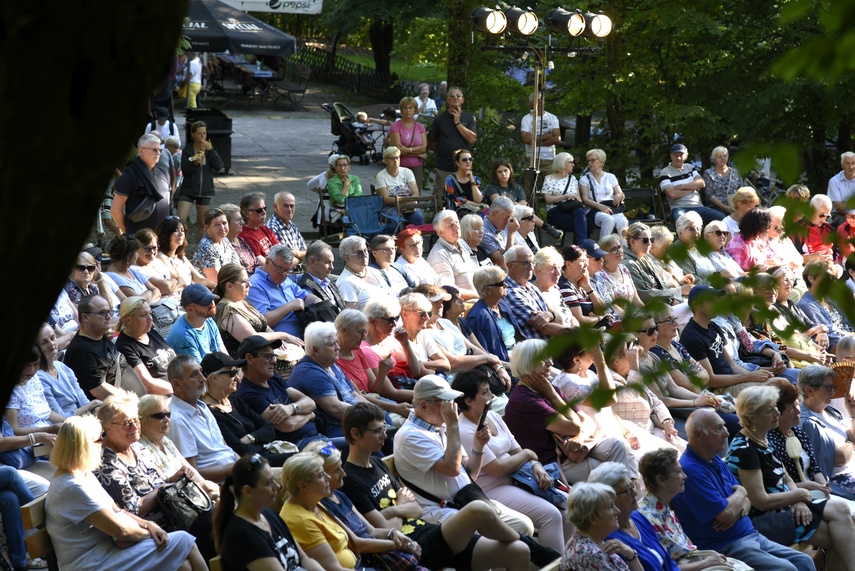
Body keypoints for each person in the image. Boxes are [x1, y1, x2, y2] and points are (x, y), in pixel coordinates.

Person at [342, 403, 531, 571]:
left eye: (384, 429)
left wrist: (393, 512)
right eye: (377, 431)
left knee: (519, 551)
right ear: (356, 434)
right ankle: (543, 553)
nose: (384, 436)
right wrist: (400, 507)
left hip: (430, 532)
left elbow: (415, 509)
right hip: (416, 547)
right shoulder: (350, 479)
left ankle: (533, 547)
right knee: (478, 509)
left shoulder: (377, 463)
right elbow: (385, 529)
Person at [46, 415, 206, 571]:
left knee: (183, 565)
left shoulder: (82, 473)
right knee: (185, 541)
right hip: (91, 561)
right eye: (99, 439)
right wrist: (153, 533)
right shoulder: (71, 487)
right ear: (85, 447)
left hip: (106, 551)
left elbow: (116, 510)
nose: (102, 444)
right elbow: (121, 531)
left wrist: (149, 524)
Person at [392, 376, 540, 542]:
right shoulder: (410, 436)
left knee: (523, 525)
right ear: (424, 406)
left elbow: (470, 473)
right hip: (443, 511)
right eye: (445, 402)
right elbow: (452, 469)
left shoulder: (439, 426)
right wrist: (453, 425)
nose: (452, 407)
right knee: (511, 539)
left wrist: (478, 446)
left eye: (452, 401)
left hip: (468, 500)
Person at [725, 385, 855, 567]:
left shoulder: (762, 438)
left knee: (841, 509)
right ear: (751, 418)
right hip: (767, 517)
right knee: (838, 537)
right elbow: (760, 501)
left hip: (786, 505)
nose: (777, 413)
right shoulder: (745, 449)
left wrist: (799, 500)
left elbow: (786, 479)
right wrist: (798, 496)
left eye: (776, 408)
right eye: (770, 410)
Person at [671, 409, 815, 571]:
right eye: (718, 428)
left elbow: (747, 502)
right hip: (725, 546)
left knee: (804, 561)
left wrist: (737, 508)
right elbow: (726, 513)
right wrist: (740, 493)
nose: (726, 433)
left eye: (724, 427)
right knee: (787, 569)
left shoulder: (714, 459)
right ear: (698, 435)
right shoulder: (691, 469)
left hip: (749, 534)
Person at [451, 369, 573, 551]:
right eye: (485, 392)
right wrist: (528, 455)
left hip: (518, 477)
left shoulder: (491, 415)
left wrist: (536, 465)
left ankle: (569, 560)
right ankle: (555, 564)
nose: (492, 395)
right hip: (492, 488)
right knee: (550, 515)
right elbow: (498, 469)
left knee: (569, 506)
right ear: (468, 400)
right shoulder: (466, 430)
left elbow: (516, 448)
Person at [93, 392, 215, 559]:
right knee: (215, 523)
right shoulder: (107, 464)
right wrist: (163, 489)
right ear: (108, 427)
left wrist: (173, 479)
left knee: (220, 514)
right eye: (127, 423)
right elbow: (132, 509)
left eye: (136, 420)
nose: (135, 427)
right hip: (152, 527)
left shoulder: (136, 447)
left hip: (173, 512)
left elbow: (156, 482)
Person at [504, 339, 633, 483]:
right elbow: (574, 426)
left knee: (618, 446)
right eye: (543, 359)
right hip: (553, 463)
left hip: (575, 449)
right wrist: (553, 396)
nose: (550, 364)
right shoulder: (525, 400)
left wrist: (579, 436)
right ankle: (626, 498)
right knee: (611, 471)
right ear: (527, 363)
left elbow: (587, 421)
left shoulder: (547, 387)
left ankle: (630, 496)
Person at [306, 440, 428, 571]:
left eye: (341, 466)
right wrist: (397, 544)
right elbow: (356, 544)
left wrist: (394, 534)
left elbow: (371, 530)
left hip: (385, 548)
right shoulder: (321, 506)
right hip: (371, 561)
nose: (344, 473)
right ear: (321, 475)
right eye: (336, 470)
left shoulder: (340, 495)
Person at [637, 449, 748, 570]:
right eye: (679, 472)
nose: (684, 476)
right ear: (662, 480)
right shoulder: (646, 517)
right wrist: (706, 563)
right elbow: (663, 568)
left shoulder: (662, 507)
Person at [214, 453, 323, 571]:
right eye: (269, 482)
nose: (277, 486)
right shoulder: (242, 535)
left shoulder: (270, 515)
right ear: (248, 491)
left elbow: (305, 559)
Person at [200, 352, 292, 467]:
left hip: (264, 455)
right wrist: (260, 440)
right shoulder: (209, 412)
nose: (237, 378)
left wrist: (251, 438)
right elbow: (239, 450)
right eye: (232, 373)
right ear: (214, 378)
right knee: (300, 461)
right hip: (252, 466)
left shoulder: (233, 399)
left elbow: (269, 428)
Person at [680, 285, 772, 396]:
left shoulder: (715, 326)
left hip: (739, 376)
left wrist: (777, 353)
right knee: (777, 386)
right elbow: (711, 380)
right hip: (722, 388)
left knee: (781, 383)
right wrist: (752, 375)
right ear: (696, 305)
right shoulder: (693, 336)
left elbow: (734, 364)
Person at [587, 462, 680, 571]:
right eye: (627, 490)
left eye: (632, 486)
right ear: (608, 498)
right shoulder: (609, 539)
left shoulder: (637, 517)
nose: (635, 493)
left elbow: (669, 562)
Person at [288, 323, 370, 442]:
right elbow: (336, 409)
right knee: (370, 438)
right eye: (332, 344)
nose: (338, 347)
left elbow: (354, 394)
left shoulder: (332, 364)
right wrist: (370, 415)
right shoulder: (310, 372)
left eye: (337, 342)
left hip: (354, 421)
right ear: (316, 350)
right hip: (334, 430)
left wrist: (373, 409)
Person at [233, 336, 320, 446]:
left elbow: (310, 402)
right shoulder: (248, 394)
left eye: (274, 356)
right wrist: (309, 414)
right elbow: (288, 425)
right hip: (295, 447)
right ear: (249, 358)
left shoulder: (274, 379)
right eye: (268, 356)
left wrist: (291, 408)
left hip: (315, 437)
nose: (274, 361)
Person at [167, 354, 239, 482]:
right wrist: (239, 467)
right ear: (177, 384)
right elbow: (193, 473)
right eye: (194, 375)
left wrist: (247, 464)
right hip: (222, 484)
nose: (203, 379)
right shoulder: (177, 419)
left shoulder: (202, 406)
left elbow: (225, 447)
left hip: (237, 472)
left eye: (201, 371)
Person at [137, 394, 220, 498]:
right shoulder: (140, 448)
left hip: (187, 492)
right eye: (159, 416)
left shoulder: (166, 441)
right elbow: (162, 484)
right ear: (142, 420)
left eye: (168, 414)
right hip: (173, 499)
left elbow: (191, 469)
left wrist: (205, 485)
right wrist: (200, 487)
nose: (166, 419)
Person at [335, 309, 413, 416]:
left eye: (365, 332)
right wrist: (395, 407)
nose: (363, 337)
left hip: (376, 400)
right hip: (363, 408)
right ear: (344, 331)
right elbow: (357, 395)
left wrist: (382, 373)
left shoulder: (358, 351)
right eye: (360, 332)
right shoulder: (334, 360)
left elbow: (374, 389)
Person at [64, 295, 144, 400]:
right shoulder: (82, 352)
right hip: (125, 408)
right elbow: (100, 391)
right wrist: (134, 403)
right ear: (85, 317)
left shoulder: (99, 336)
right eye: (102, 313)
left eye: (109, 312)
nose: (108, 317)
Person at [766, 378, 834, 497]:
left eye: (797, 404)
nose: (798, 411)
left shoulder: (798, 432)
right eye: (792, 408)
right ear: (777, 412)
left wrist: (824, 487)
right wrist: (808, 486)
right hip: (791, 497)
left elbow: (814, 468)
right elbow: (776, 484)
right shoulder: (769, 440)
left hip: (815, 492)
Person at [798, 365, 855, 501]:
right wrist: (851, 442)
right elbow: (841, 458)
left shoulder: (831, 411)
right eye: (828, 387)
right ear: (810, 390)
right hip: (838, 479)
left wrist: (852, 414)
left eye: (833, 387)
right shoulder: (807, 422)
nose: (833, 391)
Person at [562, 482, 640, 571]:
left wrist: (631, 555)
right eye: (610, 506)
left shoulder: (586, 541)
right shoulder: (592, 555)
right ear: (593, 518)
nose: (617, 511)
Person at [504, 245, 571, 339]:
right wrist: (573, 332)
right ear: (510, 266)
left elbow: (558, 317)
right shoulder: (510, 292)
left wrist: (550, 315)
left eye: (532, 263)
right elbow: (544, 327)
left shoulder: (531, 287)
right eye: (525, 263)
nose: (531, 267)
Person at [115, 296, 176, 395]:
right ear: (127, 320)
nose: (150, 319)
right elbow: (148, 385)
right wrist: (181, 389)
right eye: (143, 315)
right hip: (163, 398)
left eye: (150, 314)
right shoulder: (124, 347)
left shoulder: (150, 331)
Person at [112, 134, 171, 235]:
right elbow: (115, 210)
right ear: (141, 151)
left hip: (162, 235)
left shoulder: (164, 172)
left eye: (159, 150)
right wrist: (128, 232)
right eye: (154, 150)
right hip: (138, 238)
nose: (158, 153)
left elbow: (167, 202)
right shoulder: (128, 176)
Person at [35, 323, 99, 417]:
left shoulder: (62, 366)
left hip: (84, 418)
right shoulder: (39, 378)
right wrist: (93, 404)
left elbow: (83, 400)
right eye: (44, 342)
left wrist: (95, 408)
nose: (51, 343)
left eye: (52, 338)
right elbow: (60, 417)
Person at [428, 86, 477, 206]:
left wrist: (458, 122)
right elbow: (430, 141)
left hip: (463, 166)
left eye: (458, 96)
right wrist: (442, 151)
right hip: (444, 166)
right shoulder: (440, 119)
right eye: (452, 96)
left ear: (462, 100)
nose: (455, 98)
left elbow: (472, 139)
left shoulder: (469, 118)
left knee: (463, 198)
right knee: (441, 198)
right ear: (448, 100)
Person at [623, 222, 691, 305]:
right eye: (645, 240)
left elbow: (661, 284)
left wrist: (672, 298)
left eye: (651, 240)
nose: (649, 244)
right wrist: (678, 292)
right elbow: (644, 294)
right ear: (632, 242)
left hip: (665, 303)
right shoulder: (628, 264)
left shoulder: (645, 258)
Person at [176, 121, 223, 236]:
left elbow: (219, 167)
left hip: (205, 191)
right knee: (180, 219)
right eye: (199, 133)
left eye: (204, 133)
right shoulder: (188, 149)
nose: (202, 136)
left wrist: (211, 150)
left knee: (202, 223)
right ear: (193, 134)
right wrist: (194, 163)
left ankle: (200, 249)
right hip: (189, 189)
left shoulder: (210, 149)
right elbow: (185, 170)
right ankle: (180, 246)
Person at [5, 347, 65, 436]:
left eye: (36, 364)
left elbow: (46, 412)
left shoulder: (34, 379)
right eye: (25, 365)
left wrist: (69, 423)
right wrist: (47, 430)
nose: (31, 370)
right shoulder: (11, 391)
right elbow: (13, 430)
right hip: (29, 443)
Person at [659, 143, 723, 224]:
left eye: (681, 155)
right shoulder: (665, 172)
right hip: (680, 208)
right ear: (671, 156)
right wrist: (692, 188)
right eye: (675, 155)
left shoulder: (690, 167)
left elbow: (701, 183)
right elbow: (672, 194)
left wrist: (681, 186)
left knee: (721, 218)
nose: (678, 158)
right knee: (683, 223)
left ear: (686, 156)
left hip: (699, 207)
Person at [798, 259, 852, 351]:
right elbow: (831, 335)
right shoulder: (806, 304)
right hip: (841, 349)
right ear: (811, 278)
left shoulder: (831, 299)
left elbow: (849, 322)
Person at [166, 283, 228, 362]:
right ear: (190, 309)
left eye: (211, 299)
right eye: (205, 302)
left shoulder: (208, 320)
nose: (212, 304)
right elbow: (200, 371)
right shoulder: (183, 336)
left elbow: (223, 352)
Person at [427, 210, 480, 299]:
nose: (456, 227)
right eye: (451, 225)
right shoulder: (439, 255)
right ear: (440, 232)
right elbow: (450, 291)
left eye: (457, 222)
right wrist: (480, 296)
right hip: (466, 304)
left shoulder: (462, 242)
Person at [156, 216, 214, 292]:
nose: (180, 234)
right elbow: (179, 280)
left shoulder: (181, 257)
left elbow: (200, 279)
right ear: (166, 234)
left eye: (182, 230)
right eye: (176, 231)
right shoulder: (161, 257)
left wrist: (218, 287)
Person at [579, 148, 629, 239]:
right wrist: (600, 206)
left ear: (601, 162)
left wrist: (619, 196)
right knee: (608, 220)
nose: (590, 163)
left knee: (623, 221)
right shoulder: (584, 179)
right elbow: (585, 200)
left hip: (612, 208)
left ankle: (624, 250)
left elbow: (620, 193)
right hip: (595, 210)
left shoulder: (610, 177)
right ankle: (603, 249)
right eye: (588, 161)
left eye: (593, 160)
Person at [335, 235, 395, 310]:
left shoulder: (374, 271)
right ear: (347, 258)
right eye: (359, 253)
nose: (365, 255)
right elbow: (351, 317)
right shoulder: (346, 283)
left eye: (366, 250)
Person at [592, 234, 644, 320]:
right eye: (613, 250)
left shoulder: (624, 269)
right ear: (604, 255)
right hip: (620, 320)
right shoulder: (600, 276)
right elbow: (613, 306)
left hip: (635, 316)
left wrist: (648, 315)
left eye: (619, 247)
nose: (619, 251)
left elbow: (636, 299)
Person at [541, 152, 587, 243]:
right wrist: (565, 196)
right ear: (562, 163)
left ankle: (580, 247)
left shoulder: (572, 178)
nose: (573, 165)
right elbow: (548, 200)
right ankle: (580, 246)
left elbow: (580, 199)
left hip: (572, 207)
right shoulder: (549, 179)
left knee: (580, 213)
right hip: (556, 210)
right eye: (571, 162)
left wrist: (573, 197)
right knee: (580, 223)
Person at [558, 244, 609, 326]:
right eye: (581, 261)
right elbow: (579, 320)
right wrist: (601, 318)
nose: (587, 265)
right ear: (568, 264)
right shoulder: (564, 286)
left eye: (586, 261)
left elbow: (602, 310)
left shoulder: (581, 284)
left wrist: (588, 287)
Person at [106, 234, 163, 304]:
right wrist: (149, 292)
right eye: (136, 252)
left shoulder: (131, 270)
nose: (138, 255)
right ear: (128, 257)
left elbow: (156, 290)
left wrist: (149, 301)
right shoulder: (112, 276)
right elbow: (137, 302)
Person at [532, 246, 579, 328]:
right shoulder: (533, 292)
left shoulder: (555, 289)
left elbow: (570, 316)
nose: (558, 273)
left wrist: (576, 327)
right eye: (553, 269)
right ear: (539, 270)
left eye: (559, 268)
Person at [389, 96, 428, 190]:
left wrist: (407, 150)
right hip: (401, 166)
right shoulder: (396, 126)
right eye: (405, 108)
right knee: (401, 193)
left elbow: (424, 148)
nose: (408, 110)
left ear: (415, 110)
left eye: (410, 108)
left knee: (416, 193)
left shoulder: (420, 126)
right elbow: (398, 149)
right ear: (401, 110)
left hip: (417, 166)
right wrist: (418, 153)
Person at [192, 208, 241, 282]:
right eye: (217, 225)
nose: (222, 228)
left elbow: (238, 267)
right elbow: (216, 281)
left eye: (224, 223)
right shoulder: (206, 248)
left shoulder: (225, 240)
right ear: (207, 228)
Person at [298, 241, 347, 314]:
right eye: (327, 263)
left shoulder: (329, 282)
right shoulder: (306, 288)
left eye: (332, 263)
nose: (332, 267)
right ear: (313, 261)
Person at [669, 211, 717, 285]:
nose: (696, 232)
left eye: (699, 229)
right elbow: (692, 280)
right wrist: (716, 284)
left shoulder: (698, 248)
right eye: (692, 229)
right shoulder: (678, 251)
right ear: (681, 232)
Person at [520, 91, 561, 174]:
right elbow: (526, 140)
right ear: (530, 103)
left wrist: (536, 142)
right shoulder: (526, 119)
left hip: (549, 160)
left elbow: (557, 139)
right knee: (531, 186)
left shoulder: (552, 118)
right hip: (532, 160)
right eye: (536, 100)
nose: (539, 102)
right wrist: (547, 137)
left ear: (544, 102)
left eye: (541, 100)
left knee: (549, 186)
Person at [790, 193, 837, 264]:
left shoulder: (830, 229)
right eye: (822, 215)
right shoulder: (797, 229)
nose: (824, 220)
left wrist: (837, 266)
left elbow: (837, 254)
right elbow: (788, 257)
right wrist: (809, 258)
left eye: (827, 217)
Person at [220, 202, 263, 276]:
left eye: (242, 219)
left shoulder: (241, 240)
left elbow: (256, 262)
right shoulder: (224, 247)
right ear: (226, 223)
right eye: (238, 220)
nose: (242, 222)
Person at [266, 191, 307, 263]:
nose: (289, 209)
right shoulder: (272, 227)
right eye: (285, 206)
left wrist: (297, 254)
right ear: (275, 207)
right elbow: (284, 260)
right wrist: (301, 258)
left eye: (292, 206)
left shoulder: (292, 225)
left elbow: (306, 252)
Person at [726, 207, 772, 271]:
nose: (768, 229)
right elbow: (736, 274)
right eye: (766, 226)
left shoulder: (756, 240)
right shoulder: (737, 245)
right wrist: (756, 271)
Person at [239, 192, 280, 259]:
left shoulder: (264, 229)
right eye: (259, 210)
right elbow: (260, 261)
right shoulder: (244, 235)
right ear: (246, 213)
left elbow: (281, 251)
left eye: (265, 208)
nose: (264, 212)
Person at [702, 146, 741, 216]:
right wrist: (724, 207)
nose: (723, 158)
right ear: (714, 159)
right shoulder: (708, 173)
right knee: (721, 216)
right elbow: (709, 195)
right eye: (719, 157)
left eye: (725, 156)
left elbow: (741, 191)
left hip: (735, 206)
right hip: (716, 208)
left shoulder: (736, 172)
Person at [444, 148, 485, 213]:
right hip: (457, 212)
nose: (468, 161)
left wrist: (471, 180)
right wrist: (478, 205)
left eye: (470, 159)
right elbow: (458, 200)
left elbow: (478, 200)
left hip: (474, 211)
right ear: (457, 163)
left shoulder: (476, 179)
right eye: (464, 160)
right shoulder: (450, 179)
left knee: (486, 210)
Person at [828, 151, 855, 216]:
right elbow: (840, 208)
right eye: (847, 164)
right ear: (842, 165)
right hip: (842, 216)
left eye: (853, 163)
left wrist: (846, 204)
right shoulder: (834, 181)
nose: (851, 167)